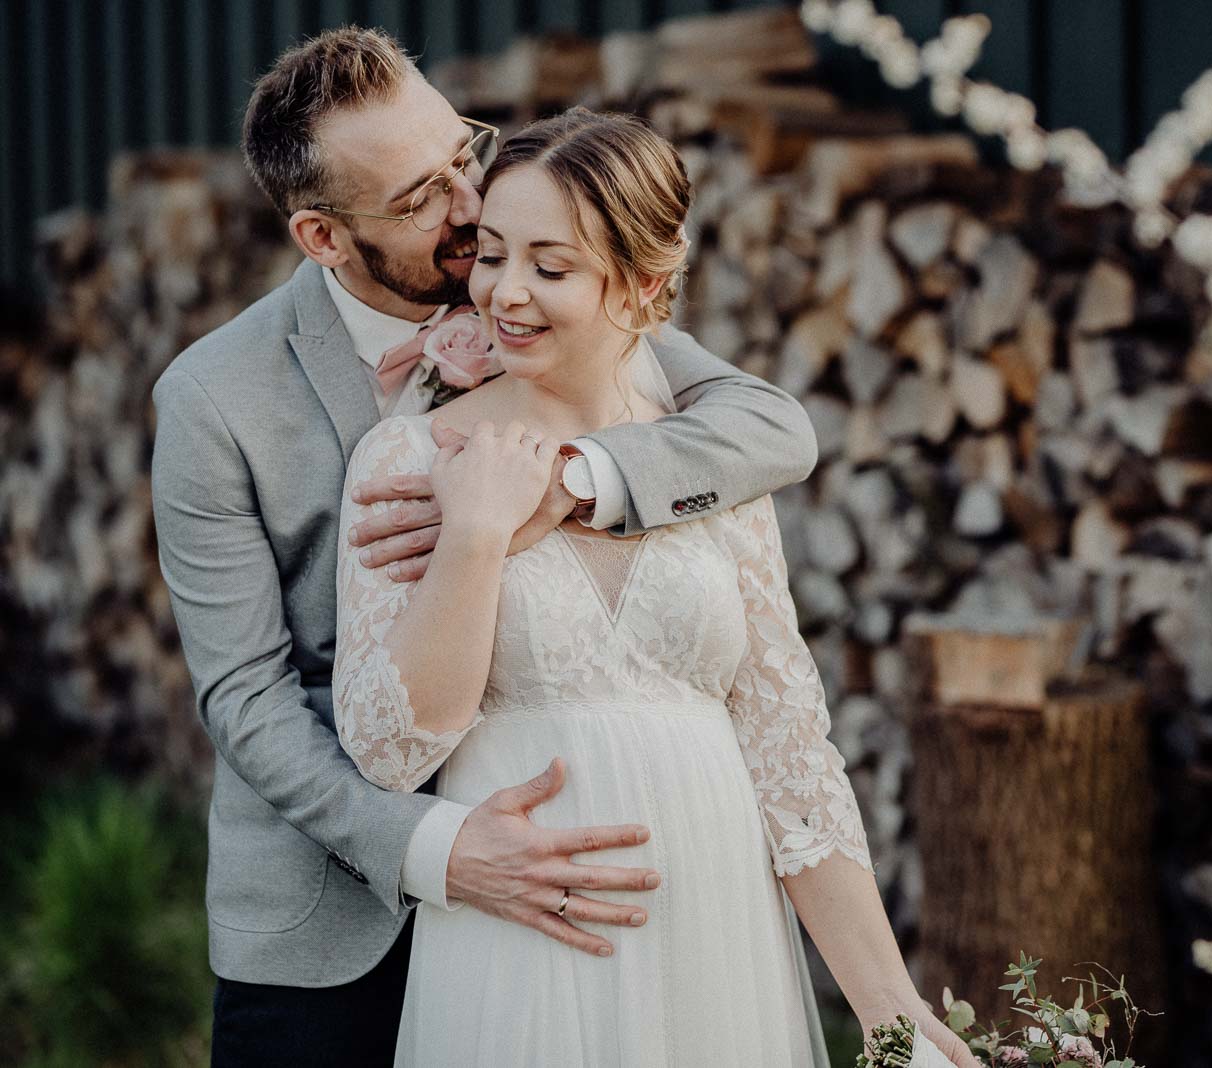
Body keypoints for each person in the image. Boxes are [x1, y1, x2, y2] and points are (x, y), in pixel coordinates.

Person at [149, 27, 819, 1066]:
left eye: (463, 150)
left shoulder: (523, 282)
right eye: (420, 198)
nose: (471, 206)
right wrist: (437, 849)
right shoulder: (212, 399)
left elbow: (770, 427)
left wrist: (568, 481)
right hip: (333, 917)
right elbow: (245, 696)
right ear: (323, 238)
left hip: (571, 890)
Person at [333, 105, 977, 1068]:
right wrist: (472, 534)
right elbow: (390, 744)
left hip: (718, 936)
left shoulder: (705, 465)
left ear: (643, 286)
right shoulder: (413, 456)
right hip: (532, 941)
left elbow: (792, 758)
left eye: (550, 268)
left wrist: (891, 1011)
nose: (504, 294)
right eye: (493, 254)